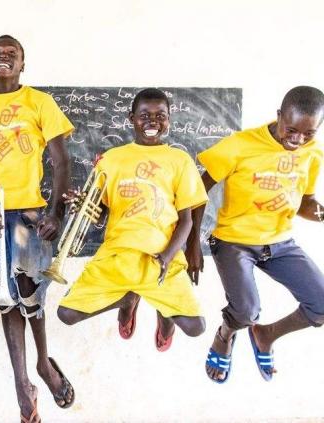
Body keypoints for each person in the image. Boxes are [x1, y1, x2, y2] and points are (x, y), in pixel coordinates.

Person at [0, 35, 75, 423]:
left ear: (23, 64)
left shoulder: (41, 102)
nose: (3, 58)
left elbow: (60, 162)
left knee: (30, 292)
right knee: (5, 298)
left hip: (33, 214)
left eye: (11, 54)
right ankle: (22, 383)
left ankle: (43, 364)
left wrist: (55, 211)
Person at [187, 86, 324, 383]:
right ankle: (226, 335)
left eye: (308, 133)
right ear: (279, 116)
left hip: (280, 242)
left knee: (322, 304)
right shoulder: (240, 145)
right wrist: (192, 243)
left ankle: (266, 335)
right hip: (233, 241)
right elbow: (198, 190)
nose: (298, 139)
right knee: (247, 311)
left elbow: (304, 203)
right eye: (291, 129)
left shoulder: (313, 153)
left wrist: (320, 212)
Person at [57, 88, 206, 354]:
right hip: (117, 256)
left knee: (196, 327)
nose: (152, 121)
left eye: (160, 115)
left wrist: (167, 257)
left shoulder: (180, 161)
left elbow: (187, 220)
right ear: (131, 118)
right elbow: (101, 214)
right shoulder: (111, 159)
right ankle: (127, 299)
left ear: (169, 119)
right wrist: (84, 206)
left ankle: (163, 312)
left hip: (161, 259)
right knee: (67, 314)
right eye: (144, 115)